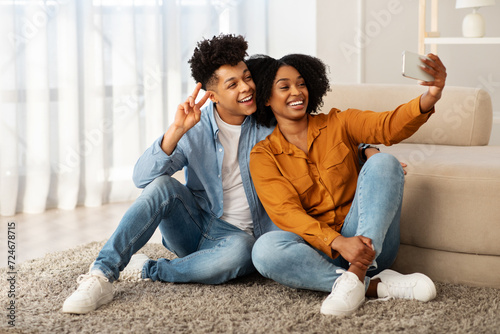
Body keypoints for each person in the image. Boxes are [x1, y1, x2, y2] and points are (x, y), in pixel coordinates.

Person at [62, 34, 281, 314]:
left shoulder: (268, 125)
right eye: (233, 84)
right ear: (212, 95)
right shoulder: (196, 128)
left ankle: (151, 269)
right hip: (194, 227)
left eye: (246, 77)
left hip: (238, 240)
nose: (246, 87)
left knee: (243, 251)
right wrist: (176, 131)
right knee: (163, 185)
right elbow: (143, 179)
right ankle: (101, 274)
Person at [247, 53, 447, 316]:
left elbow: (387, 126)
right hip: (320, 253)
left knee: (384, 163)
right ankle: (372, 286)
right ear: (265, 98)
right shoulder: (263, 155)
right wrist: (338, 242)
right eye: (284, 87)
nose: (296, 92)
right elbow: (286, 213)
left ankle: (358, 272)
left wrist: (430, 97)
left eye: (302, 84)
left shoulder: (337, 122)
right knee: (264, 250)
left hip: (371, 242)